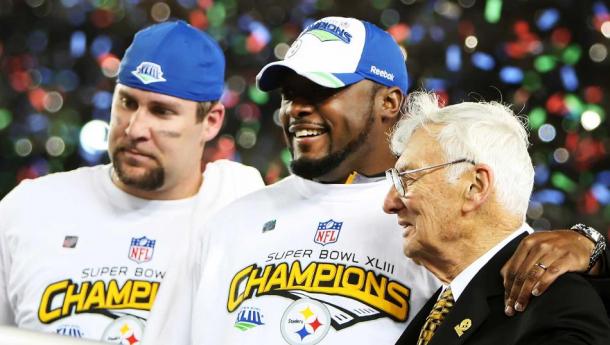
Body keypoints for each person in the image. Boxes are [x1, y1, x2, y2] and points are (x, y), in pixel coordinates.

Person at [143, 16, 609, 345]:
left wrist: (593, 250)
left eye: (320, 90)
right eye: (289, 94)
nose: (296, 108)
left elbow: (529, 275)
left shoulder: (434, 214)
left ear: (389, 102)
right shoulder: (232, 222)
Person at [0, 20, 264, 344]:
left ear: (210, 122)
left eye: (162, 111)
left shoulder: (237, 212)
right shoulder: (29, 210)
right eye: (127, 103)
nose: (135, 129)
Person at [384, 92, 610, 344]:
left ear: (475, 187)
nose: (389, 203)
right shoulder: (439, 309)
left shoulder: (558, 301)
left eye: (407, 179)